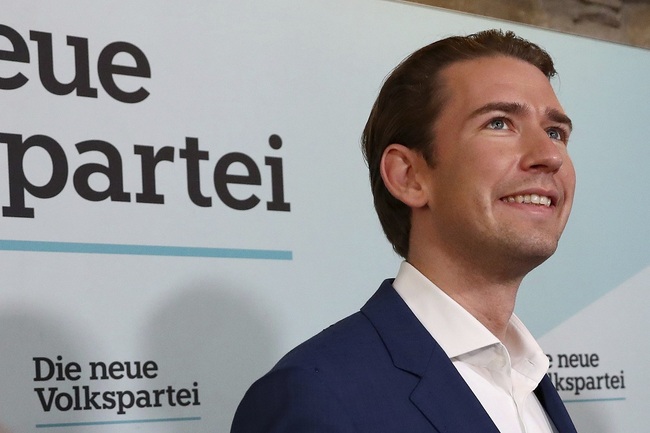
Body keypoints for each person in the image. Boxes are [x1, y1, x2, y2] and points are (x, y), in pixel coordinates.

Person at [231, 29, 578, 433]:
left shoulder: (530, 379)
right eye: (499, 123)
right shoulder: (316, 396)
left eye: (556, 132)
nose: (550, 155)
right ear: (409, 176)